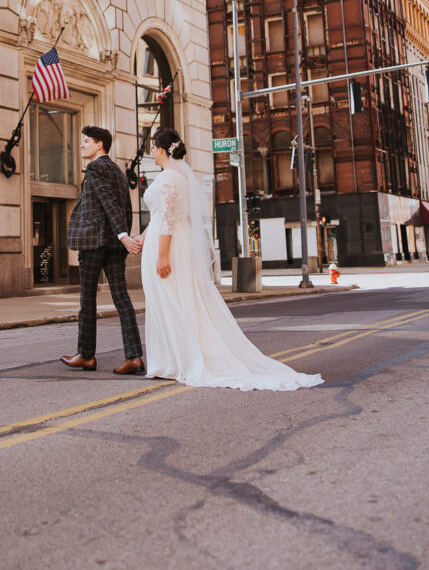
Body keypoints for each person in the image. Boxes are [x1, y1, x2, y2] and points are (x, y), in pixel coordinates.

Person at [135, 128, 324, 392]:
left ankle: (178, 361)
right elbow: (162, 217)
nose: (152, 152)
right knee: (175, 299)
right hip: (165, 239)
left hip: (168, 245)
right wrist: (143, 237)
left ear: (162, 149)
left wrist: (162, 255)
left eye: (154, 147)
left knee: (171, 300)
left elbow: (167, 220)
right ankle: (172, 359)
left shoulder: (169, 179)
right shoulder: (176, 177)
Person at [61, 126, 145, 376]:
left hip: (94, 242)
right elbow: (125, 207)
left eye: (86, 141)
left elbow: (109, 202)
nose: (82, 145)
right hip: (112, 245)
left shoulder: (96, 167)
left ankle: (86, 356)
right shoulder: (118, 171)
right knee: (122, 299)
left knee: (87, 300)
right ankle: (134, 356)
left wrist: (123, 236)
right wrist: (122, 237)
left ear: (100, 145)